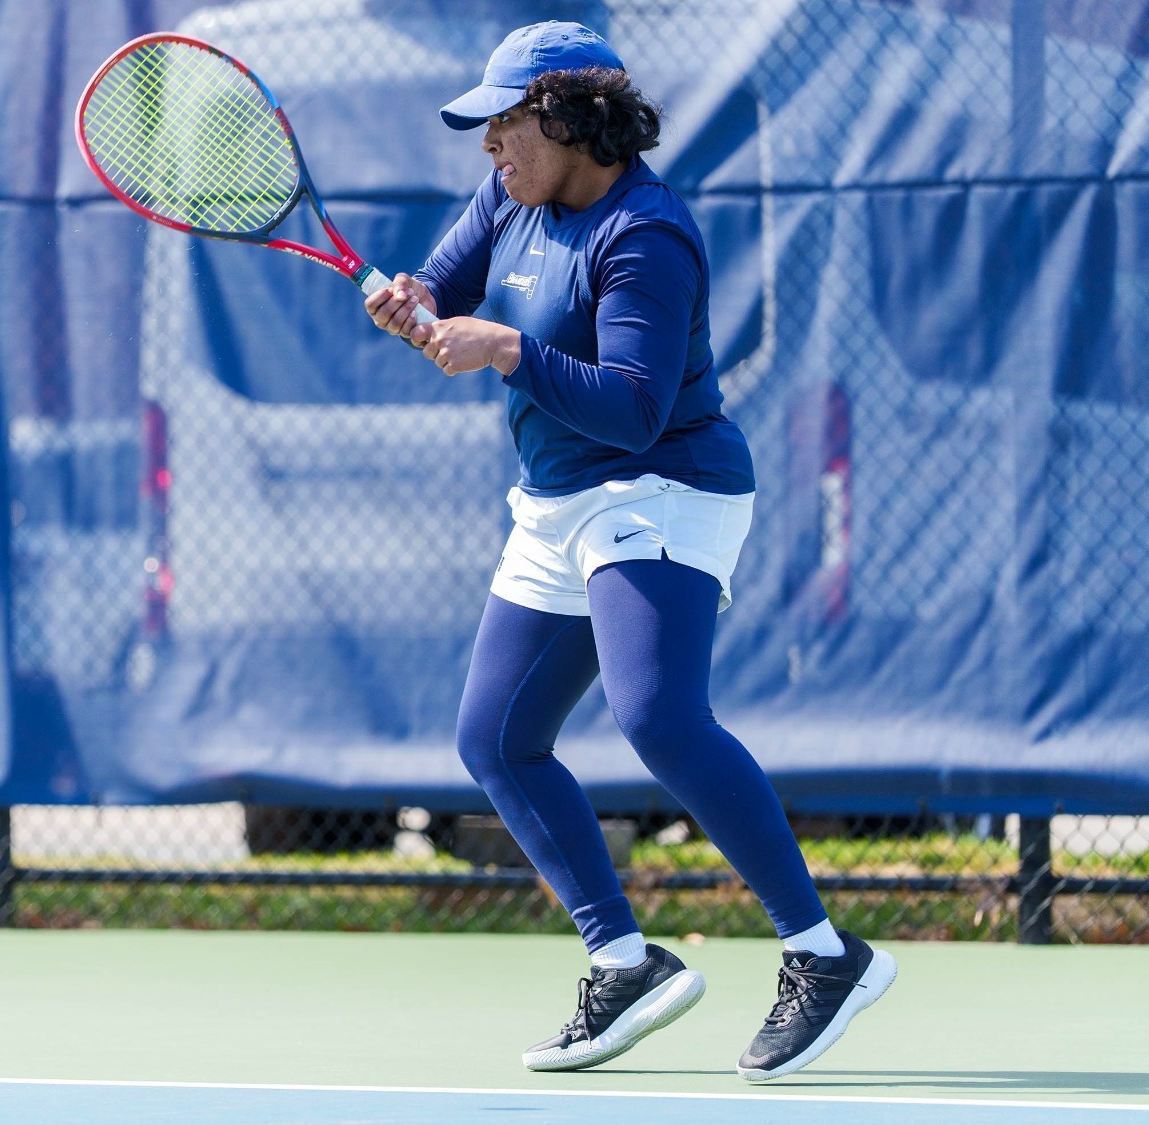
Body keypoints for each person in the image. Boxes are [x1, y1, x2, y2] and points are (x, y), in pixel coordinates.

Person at [363, 21, 895, 1082]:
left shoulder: (644, 234)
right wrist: (413, 305)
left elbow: (638, 411)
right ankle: (624, 961)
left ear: (564, 118)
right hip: (554, 497)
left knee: (656, 716)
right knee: (496, 739)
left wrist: (507, 350)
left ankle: (821, 954)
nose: (488, 148)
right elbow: (443, 285)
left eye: (503, 124)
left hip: (664, 488)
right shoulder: (509, 199)